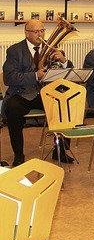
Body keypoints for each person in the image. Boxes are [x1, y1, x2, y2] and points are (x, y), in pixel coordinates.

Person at [2, 19, 74, 166]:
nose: (40, 34)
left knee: (66, 104)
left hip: (46, 92)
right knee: (12, 109)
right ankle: (19, 155)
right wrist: (36, 75)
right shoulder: (15, 51)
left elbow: (69, 73)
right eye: (36, 32)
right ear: (27, 33)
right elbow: (9, 78)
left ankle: (60, 150)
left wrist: (64, 60)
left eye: (42, 31)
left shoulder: (52, 48)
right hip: (23, 93)